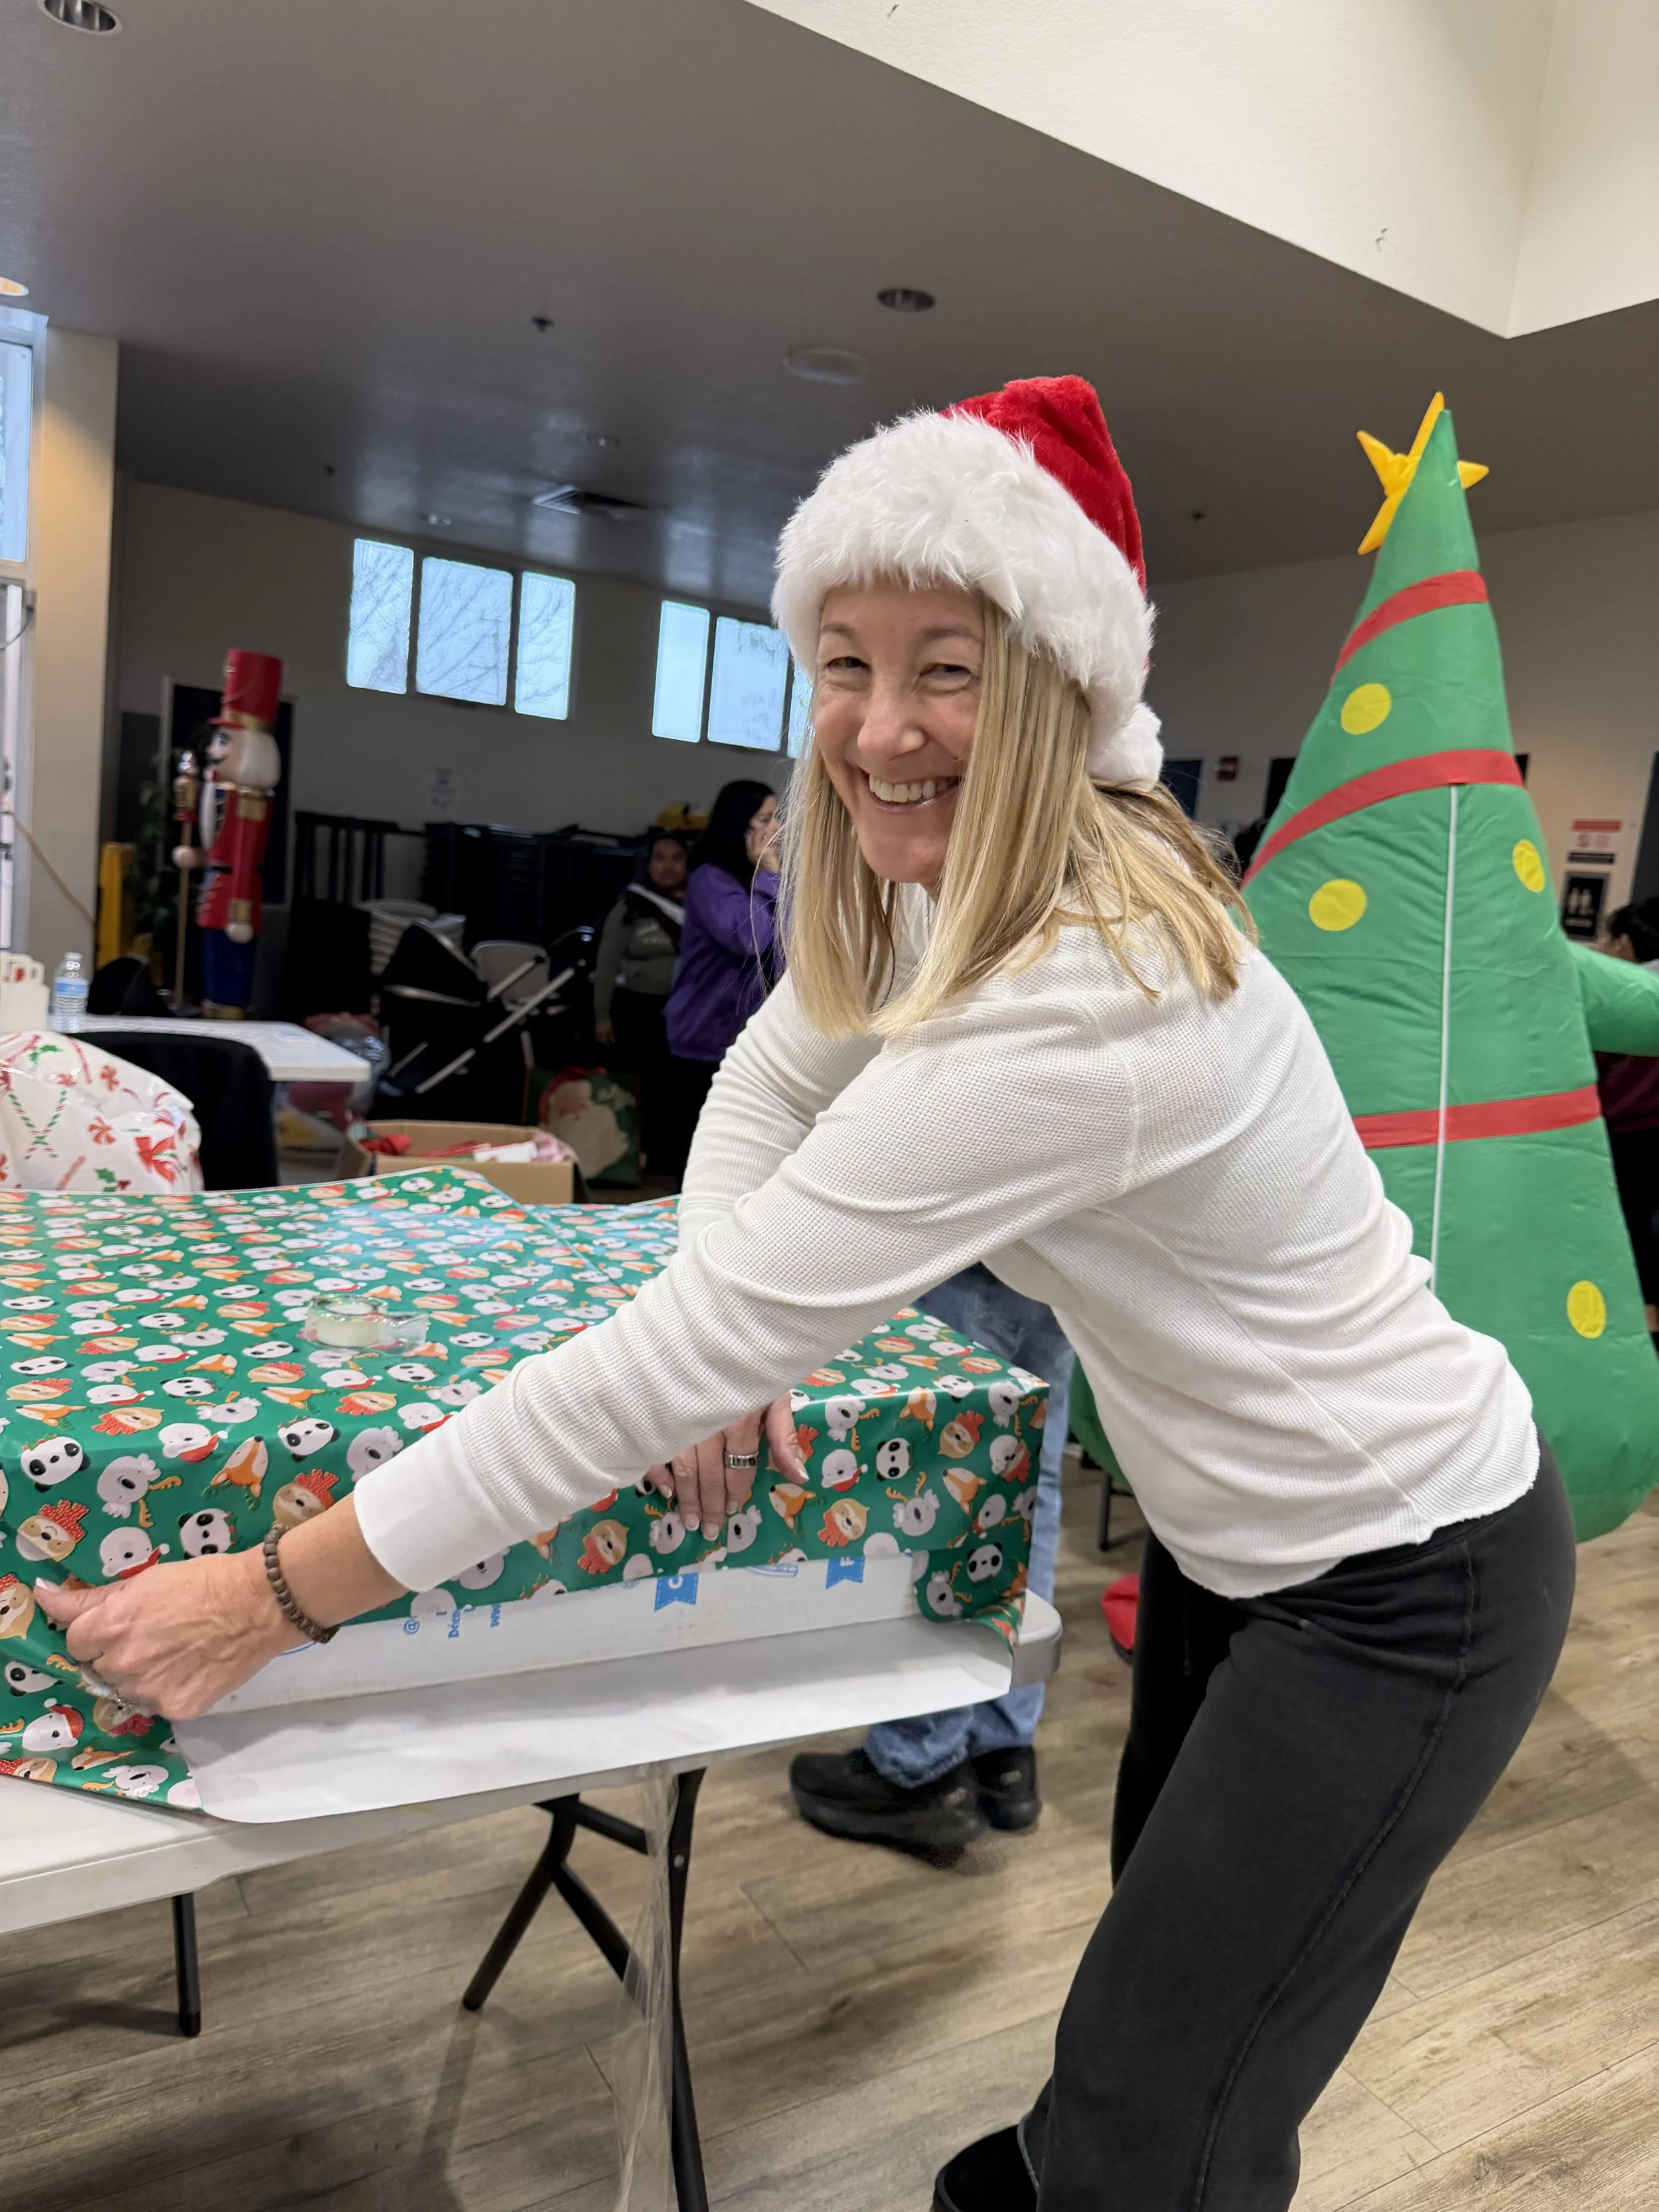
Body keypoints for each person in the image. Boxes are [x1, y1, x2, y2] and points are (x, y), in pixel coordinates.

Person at [42, 376, 1575, 2212]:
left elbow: (660, 1364)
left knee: (1137, 2128)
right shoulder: (954, 894)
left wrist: (266, 1596)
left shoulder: (1089, 991)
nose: (879, 725)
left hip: (1407, 1581)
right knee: (1183, 2077)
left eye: (947, 664)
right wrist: (727, 1317)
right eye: (842, 661)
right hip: (1234, 1558)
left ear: (1060, 687)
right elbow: (771, 1076)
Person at [790, 1265, 1074, 1855]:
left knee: (945, 1485)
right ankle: (1003, 1751)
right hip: (1066, 1247)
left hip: (973, 1237)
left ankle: (919, 1760)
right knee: (1027, 1481)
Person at [662, 778, 780, 1143]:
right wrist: (769, 873)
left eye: (776, 818)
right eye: (764, 819)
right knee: (703, 1145)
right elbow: (752, 938)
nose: (775, 829)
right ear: (738, 822)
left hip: (745, 1033)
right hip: (706, 1031)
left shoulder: (755, 879)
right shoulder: (710, 879)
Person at [593, 828, 689, 1177]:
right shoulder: (631, 906)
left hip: (683, 1012)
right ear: (647, 864)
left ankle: (668, 1159)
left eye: (677, 859)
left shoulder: (699, 905)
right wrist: (602, 1016)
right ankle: (636, 1157)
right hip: (638, 1010)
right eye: (660, 859)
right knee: (643, 1086)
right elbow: (606, 966)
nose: (668, 867)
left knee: (675, 1088)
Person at [1595, 897, 1659, 1337]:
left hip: (1622, 1133)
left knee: (1625, 1230)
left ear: (1625, 942)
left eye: (1609, 938)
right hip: (1648, 1133)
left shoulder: (1621, 995)